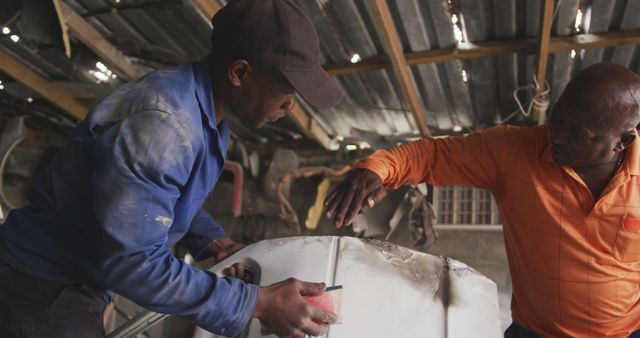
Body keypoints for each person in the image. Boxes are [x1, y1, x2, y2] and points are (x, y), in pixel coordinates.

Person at [0, 0, 343, 337]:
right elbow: (133, 263)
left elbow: (157, 199)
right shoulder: (163, 127)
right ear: (240, 72)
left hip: (74, 279)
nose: (290, 105)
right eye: (286, 91)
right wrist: (258, 302)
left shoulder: (205, 115)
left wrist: (212, 242)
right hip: (37, 284)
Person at [324, 63, 640, 338]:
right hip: (535, 333)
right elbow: (434, 155)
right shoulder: (514, 152)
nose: (556, 136)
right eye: (557, 118)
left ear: (622, 141)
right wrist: (377, 170)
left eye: (577, 133)